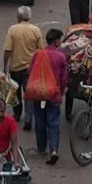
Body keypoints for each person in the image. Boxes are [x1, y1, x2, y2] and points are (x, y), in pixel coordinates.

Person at [28, 29, 69, 164]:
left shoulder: (38, 54)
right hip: (53, 93)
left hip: (38, 93)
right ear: (56, 40)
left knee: (39, 121)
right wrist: (61, 92)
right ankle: (54, 150)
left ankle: (41, 148)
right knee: (53, 123)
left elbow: (30, 71)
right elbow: (63, 79)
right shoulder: (61, 57)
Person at [3, 6, 45, 130]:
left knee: (15, 93)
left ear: (19, 17)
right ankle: (28, 117)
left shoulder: (13, 30)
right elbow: (41, 50)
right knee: (29, 94)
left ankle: (17, 114)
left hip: (15, 67)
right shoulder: (36, 30)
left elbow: (7, 50)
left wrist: (5, 66)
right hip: (30, 69)